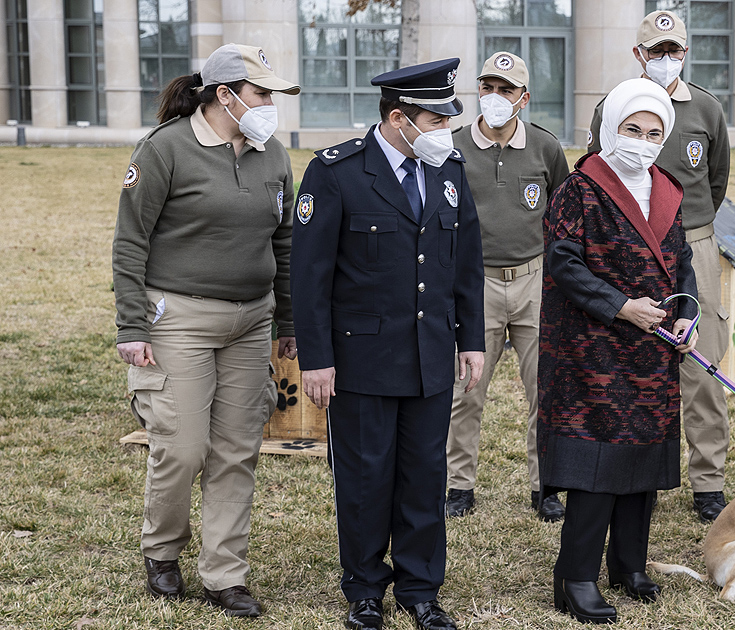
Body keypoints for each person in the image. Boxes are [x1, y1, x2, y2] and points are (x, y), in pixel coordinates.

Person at [290, 59, 484, 630]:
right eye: (435, 118)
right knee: (365, 478)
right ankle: (366, 588)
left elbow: (465, 263)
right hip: (362, 360)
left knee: (425, 475)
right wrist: (317, 358)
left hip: (428, 356)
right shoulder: (337, 172)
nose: (446, 129)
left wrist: (469, 339)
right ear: (399, 119)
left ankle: (420, 589)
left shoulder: (449, 169)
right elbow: (310, 276)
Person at [112, 43, 300, 617]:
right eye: (262, 93)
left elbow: (285, 242)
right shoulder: (165, 149)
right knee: (182, 447)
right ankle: (162, 551)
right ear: (224, 95)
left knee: (237, 450)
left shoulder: (273, 156)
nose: (271, 105)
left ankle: (225, 574)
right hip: (180, 321)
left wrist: (288, 321)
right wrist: (132, 324)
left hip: (250, 321)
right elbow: (130, 241)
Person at [539, 78, 698, 625]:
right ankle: (576, 577)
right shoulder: (579, 189)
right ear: (611, 128)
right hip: (593, 348)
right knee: (598, 463)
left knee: (644, 458)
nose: (643, 140)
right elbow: (564, 264)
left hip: (653, 349)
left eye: (654, 132)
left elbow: (683, 263)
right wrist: (620, 306)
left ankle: (628, 564)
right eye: (633, 129)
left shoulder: (668, 190)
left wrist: (688, 313)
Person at [588, 9, 732, 522]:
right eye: (656, 52)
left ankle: (708, 482)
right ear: (638, 55)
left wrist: (686, 232)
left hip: (693, 240)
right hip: (628, 245)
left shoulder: (708, 111)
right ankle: (621, 467)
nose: (666, 60)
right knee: (626, 358)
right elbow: (596, 174)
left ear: (685, 54)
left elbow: (715, 184)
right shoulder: (614, 106)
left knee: (701, 362)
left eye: (674, 51)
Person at [445, 51, 570, 521]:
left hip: (534, 281)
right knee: (465, 391)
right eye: (487, 87)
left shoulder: (545, 147)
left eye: (506, 90)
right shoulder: (453, 146)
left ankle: (547, 486)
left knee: (546, 388)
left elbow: (561, 212)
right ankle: (459, 484)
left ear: (524, 98)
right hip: (475, 284)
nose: (494, 98)